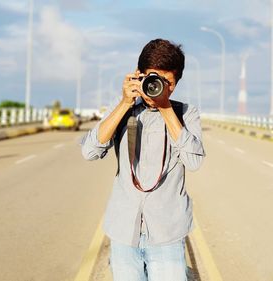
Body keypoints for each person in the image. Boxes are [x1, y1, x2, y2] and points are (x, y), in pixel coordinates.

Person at [81, 38, 205, 281]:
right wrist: (125, 103)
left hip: (167, 232)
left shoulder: (186, 113)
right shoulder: (122, 110)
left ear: (175, 83)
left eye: (166, 82)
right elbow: (90, 151)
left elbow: (194, 162)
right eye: (151, 78)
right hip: (124, 231)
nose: (157, 86)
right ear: (139, 76)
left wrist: (166, 108)